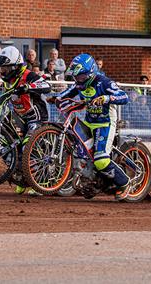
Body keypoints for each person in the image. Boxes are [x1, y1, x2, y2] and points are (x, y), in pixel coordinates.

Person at [49, 53, 131, 199]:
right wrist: (56, 98)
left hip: (105, 122)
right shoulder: (79, 84)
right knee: (79, 148)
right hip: (89, 121)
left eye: (80, 77)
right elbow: (67, 92)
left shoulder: (104, 82)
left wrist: (106, 98)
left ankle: (124, 183)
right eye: (75, 77)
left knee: (101, 159)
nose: (78, 80)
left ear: (91, 73)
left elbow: (124, 96)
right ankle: (89, 178)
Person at [0, 46, 52, 194]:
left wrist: (28, 87)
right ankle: (22, 178)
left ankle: (40, 182)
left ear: (15, 66)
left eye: (5, 68)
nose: (2, 72)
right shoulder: (7, 81)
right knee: (7, 146)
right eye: (1, 69)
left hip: (36, 116)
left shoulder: (28, 74)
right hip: (19, 116)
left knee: (27, 147)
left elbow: (46, 87)